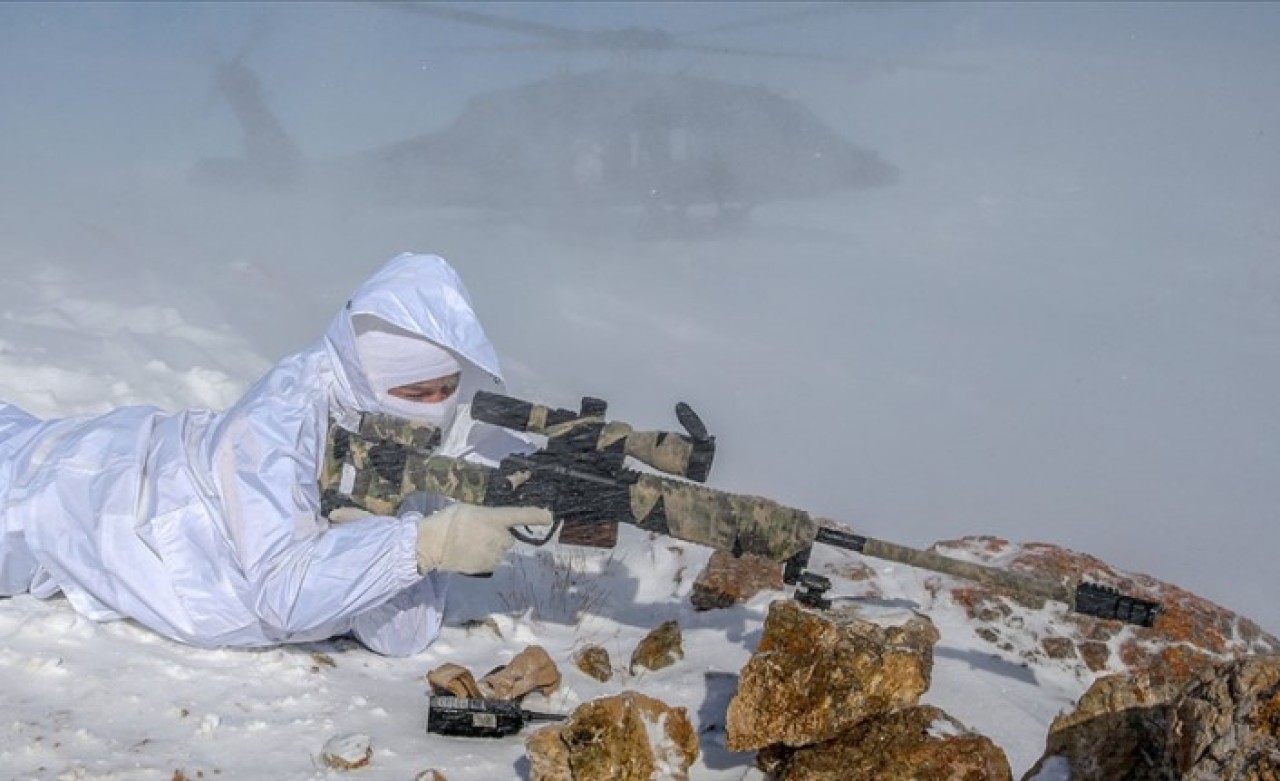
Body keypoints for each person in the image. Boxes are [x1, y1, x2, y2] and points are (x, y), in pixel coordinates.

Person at [0, 252, 550, 656]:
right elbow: (283, 595)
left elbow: (400, 632)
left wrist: (407, 532)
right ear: (372, 376)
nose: (435, 410)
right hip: (83, 498)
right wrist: (426, 544)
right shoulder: (279, 420)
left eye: (445, 389)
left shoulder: (386, 428)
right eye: (416, 394)